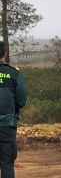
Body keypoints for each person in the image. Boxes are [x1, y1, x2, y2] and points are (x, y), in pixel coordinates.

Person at [0, 41, 27, 178]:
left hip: (7, 124)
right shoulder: (14, 74)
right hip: (7, 126)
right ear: (5, 54)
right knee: (7, 163)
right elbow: (21, 100)